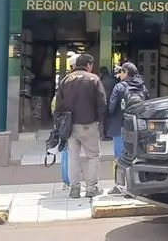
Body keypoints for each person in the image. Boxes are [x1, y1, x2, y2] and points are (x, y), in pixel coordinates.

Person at [53, 53, 106, 199]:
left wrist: (59, 124)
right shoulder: (94, 79)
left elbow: (58, 105)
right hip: (88, 124)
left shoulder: (65, 80)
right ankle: (91, 188)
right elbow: (101, 102)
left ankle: (74, 189)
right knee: (93, 156)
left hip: (70, 125)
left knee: (73, 157)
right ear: (89, 65)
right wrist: (101, 121)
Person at [107, 62, 149, 194]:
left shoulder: (119, 87)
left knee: (119, 156)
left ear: (125, 73)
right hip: (138, 127)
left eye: (121, 72)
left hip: (120, 125)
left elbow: (111, 107)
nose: (119, 75)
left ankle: (119, 186)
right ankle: (136, 186)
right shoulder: (142, 86)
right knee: (136, 156)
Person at [97, 66, 117, 141]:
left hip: (104, 102)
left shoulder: (101, 82)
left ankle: (106, 135)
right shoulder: (113, 80)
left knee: (105, 119)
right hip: (113, 101)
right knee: (111, 119)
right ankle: (111, 134)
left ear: (101, 73)